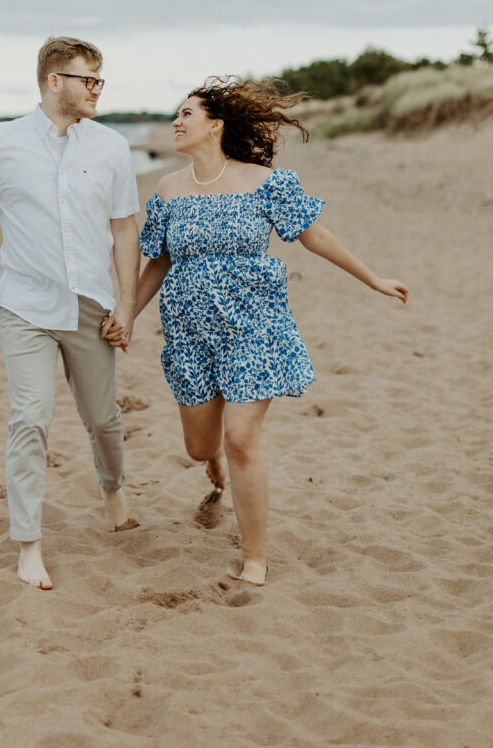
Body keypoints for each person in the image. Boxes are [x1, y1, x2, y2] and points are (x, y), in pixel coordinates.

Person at [103, 76, 408, 586]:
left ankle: (254, 557)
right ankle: (213, 462)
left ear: (215, 125)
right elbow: (156, 263)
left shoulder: (266, 182)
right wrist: (128, 313)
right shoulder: (167, 189)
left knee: (243, 438)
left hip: (256, 328)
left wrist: (373, 278)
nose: (176, 122)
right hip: (189, 331)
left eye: (186, 114)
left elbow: (316, 235)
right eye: (176, 115)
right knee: (201, 447)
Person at [0, 36, 141, 590]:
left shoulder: (112, 147)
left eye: (100, 80)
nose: (97, 90)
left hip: (91, 305)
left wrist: (127, 305)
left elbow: (123, 229)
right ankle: (29, 546)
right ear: (53, 80)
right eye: (89, 80)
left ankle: (113, 488)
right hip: (25, 306)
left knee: (102, 417)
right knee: (30, 418)